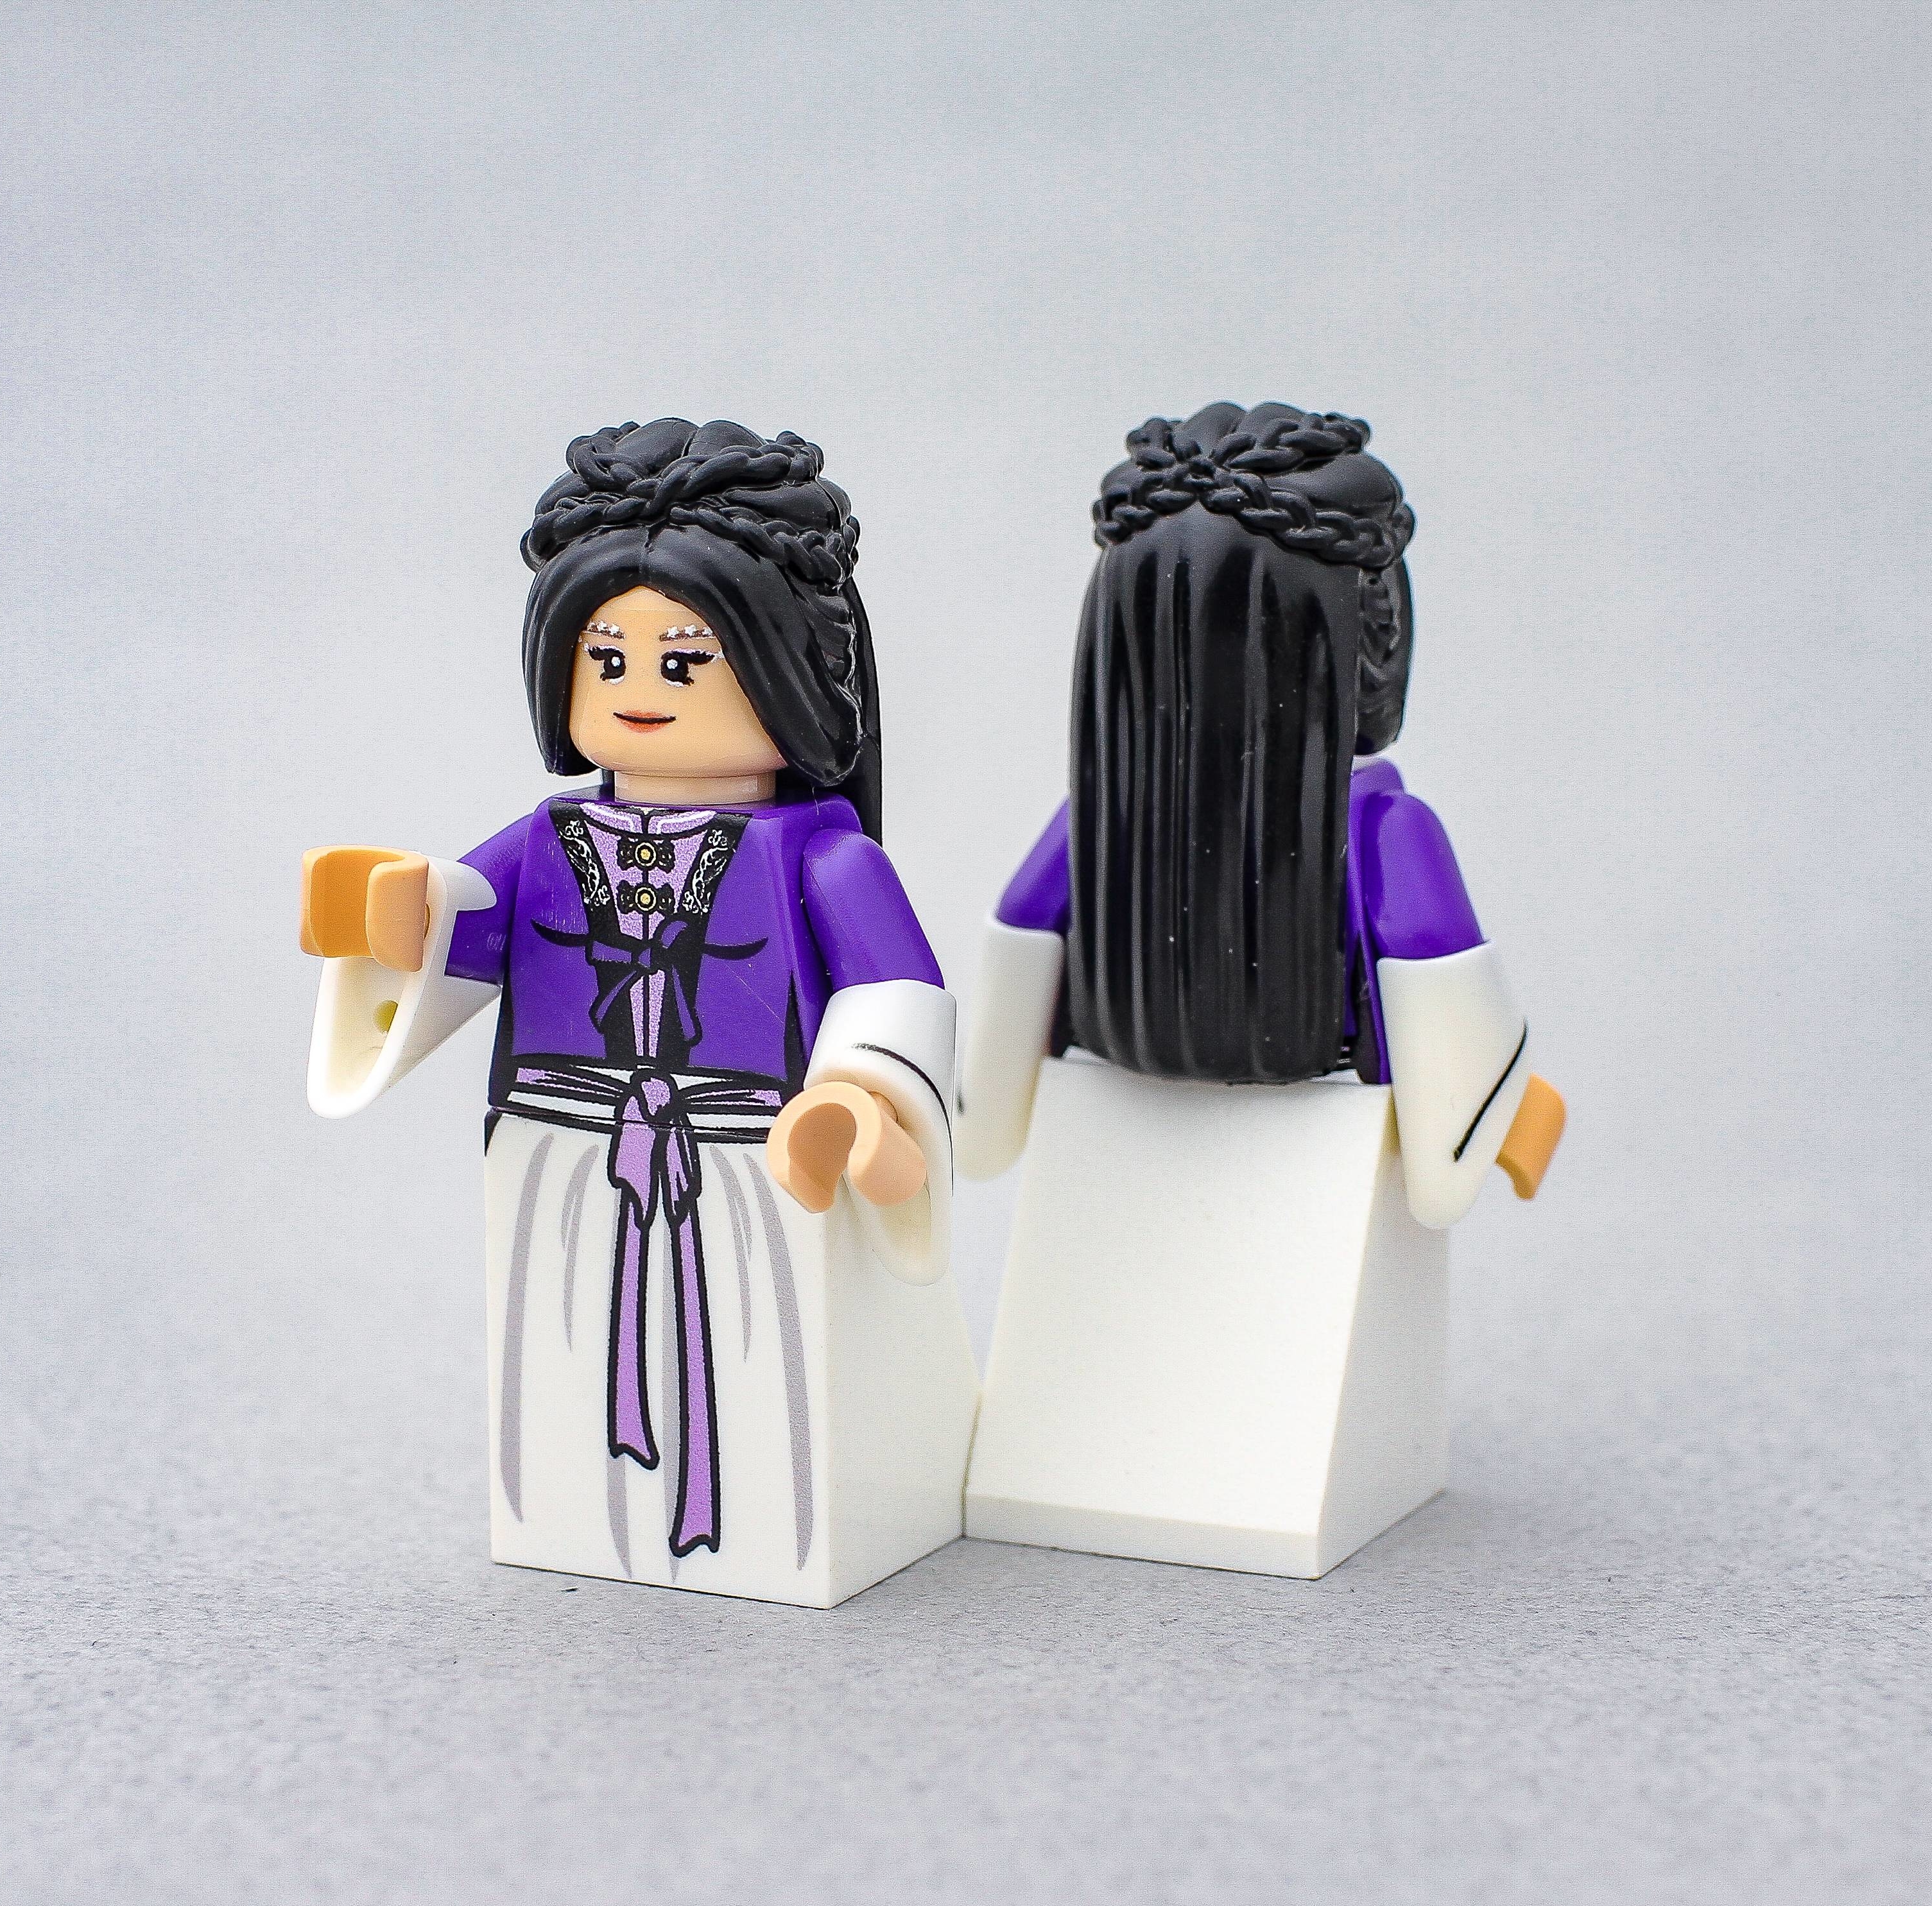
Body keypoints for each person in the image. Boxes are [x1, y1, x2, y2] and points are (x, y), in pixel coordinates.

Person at [300, 420, 978, 1608]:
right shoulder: (545, 843)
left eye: (687, 661)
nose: (641, 694)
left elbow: (895, 992)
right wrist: (393, 912)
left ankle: (772, 1520)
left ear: (786, 670)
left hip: (752, 1157)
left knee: (759, 1351)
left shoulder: (825, 859)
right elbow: (465, 928)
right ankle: (584, 1519)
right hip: (563, 1146)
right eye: (606, 660)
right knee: (561, 1345)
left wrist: (862, 1095)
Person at [958, 402, 1563, 1579]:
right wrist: (1495, 1107)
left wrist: (984, 1111)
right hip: (1317, 1140)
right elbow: (1447, 1118)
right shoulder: (1385, 832)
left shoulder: (1095, 827)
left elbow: (1005, 1015)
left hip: (1113, 1135)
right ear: (1367, 640)